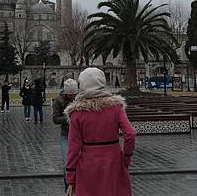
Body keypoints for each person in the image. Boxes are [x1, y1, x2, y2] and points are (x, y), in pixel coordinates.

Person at [65, 67, 136, 196]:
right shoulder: (116, 107)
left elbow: (73, 147)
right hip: (114, 160)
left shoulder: (77, 113)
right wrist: (126, 158)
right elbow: (130, 134)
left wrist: (70, 174)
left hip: (88, 163)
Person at [53, 78, 79, 190]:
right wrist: (70, 118)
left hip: (79, 135)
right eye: (70, 95)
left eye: (74, 94)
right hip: (66, 135)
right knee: (67, 164)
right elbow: (55, 119)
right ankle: (68, 189)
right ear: (66, 93)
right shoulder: (58, 101)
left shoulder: (79, 99)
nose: (73, 97)